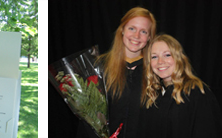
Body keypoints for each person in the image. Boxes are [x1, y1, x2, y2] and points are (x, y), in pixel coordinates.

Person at [76, 7, 157, 138]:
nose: (136, 36)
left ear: (149, 37)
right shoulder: (99, 66)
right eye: (132, 28)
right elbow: (88, 116)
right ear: (122, 30)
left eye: (143, 31)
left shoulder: (155, 70)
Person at [139, 34, 222, 137]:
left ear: (178, 57)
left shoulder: (196, 92)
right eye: (154, 57)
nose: (160, 62)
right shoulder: (153, 95)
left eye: (167, 55)